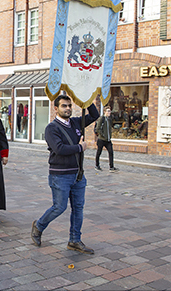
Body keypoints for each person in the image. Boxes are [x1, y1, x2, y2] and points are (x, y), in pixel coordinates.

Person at [31, 94, 99, 254]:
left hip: (78, 175)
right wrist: (79, 147)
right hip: (60, 175)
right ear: (56, 108)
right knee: (59, 207)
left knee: (78, 208)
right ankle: (38, 226)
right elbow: (59, 149)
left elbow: (95, 115)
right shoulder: (51, 128)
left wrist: (88, 98)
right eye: (64, 106)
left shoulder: (76, 122)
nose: (67, 108)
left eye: (69, 105)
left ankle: (74, 240)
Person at [95, 106, 118, 172]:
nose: (109, 112)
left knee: (111, 152)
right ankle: (97, 165)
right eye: (108, 111)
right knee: (99, 152)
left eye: (110, 111)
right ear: (104, 112)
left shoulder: (109, 119)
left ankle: (111, 167)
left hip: (108, 140)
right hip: (101, 140)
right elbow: (98, 128)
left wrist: (109, 136)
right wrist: (103, 135)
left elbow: (110, 128)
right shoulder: (101, 119)